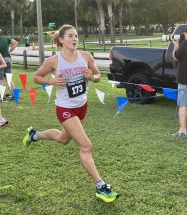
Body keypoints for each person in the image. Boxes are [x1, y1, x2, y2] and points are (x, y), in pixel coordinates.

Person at [22, 24, 119, 202]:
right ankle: (100, 186)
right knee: (86, 146)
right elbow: (37, 77)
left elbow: (98, 76)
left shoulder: (85, 56)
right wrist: (51, 81)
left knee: (62, 139)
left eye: (76, 35)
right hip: (65, 108)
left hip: (81, 106)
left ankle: (35, 135)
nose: (75, 39)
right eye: (70, 36)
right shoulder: (54, 61)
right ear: (61, 40)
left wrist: (92, 76)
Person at [0, 28, 18, 100]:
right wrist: (10, 50)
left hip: (0, 62)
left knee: (1, 79)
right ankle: (13, 95)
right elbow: (15, 43)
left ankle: (2, 96)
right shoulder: (6, 38)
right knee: (9, 79)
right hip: (8, 60)